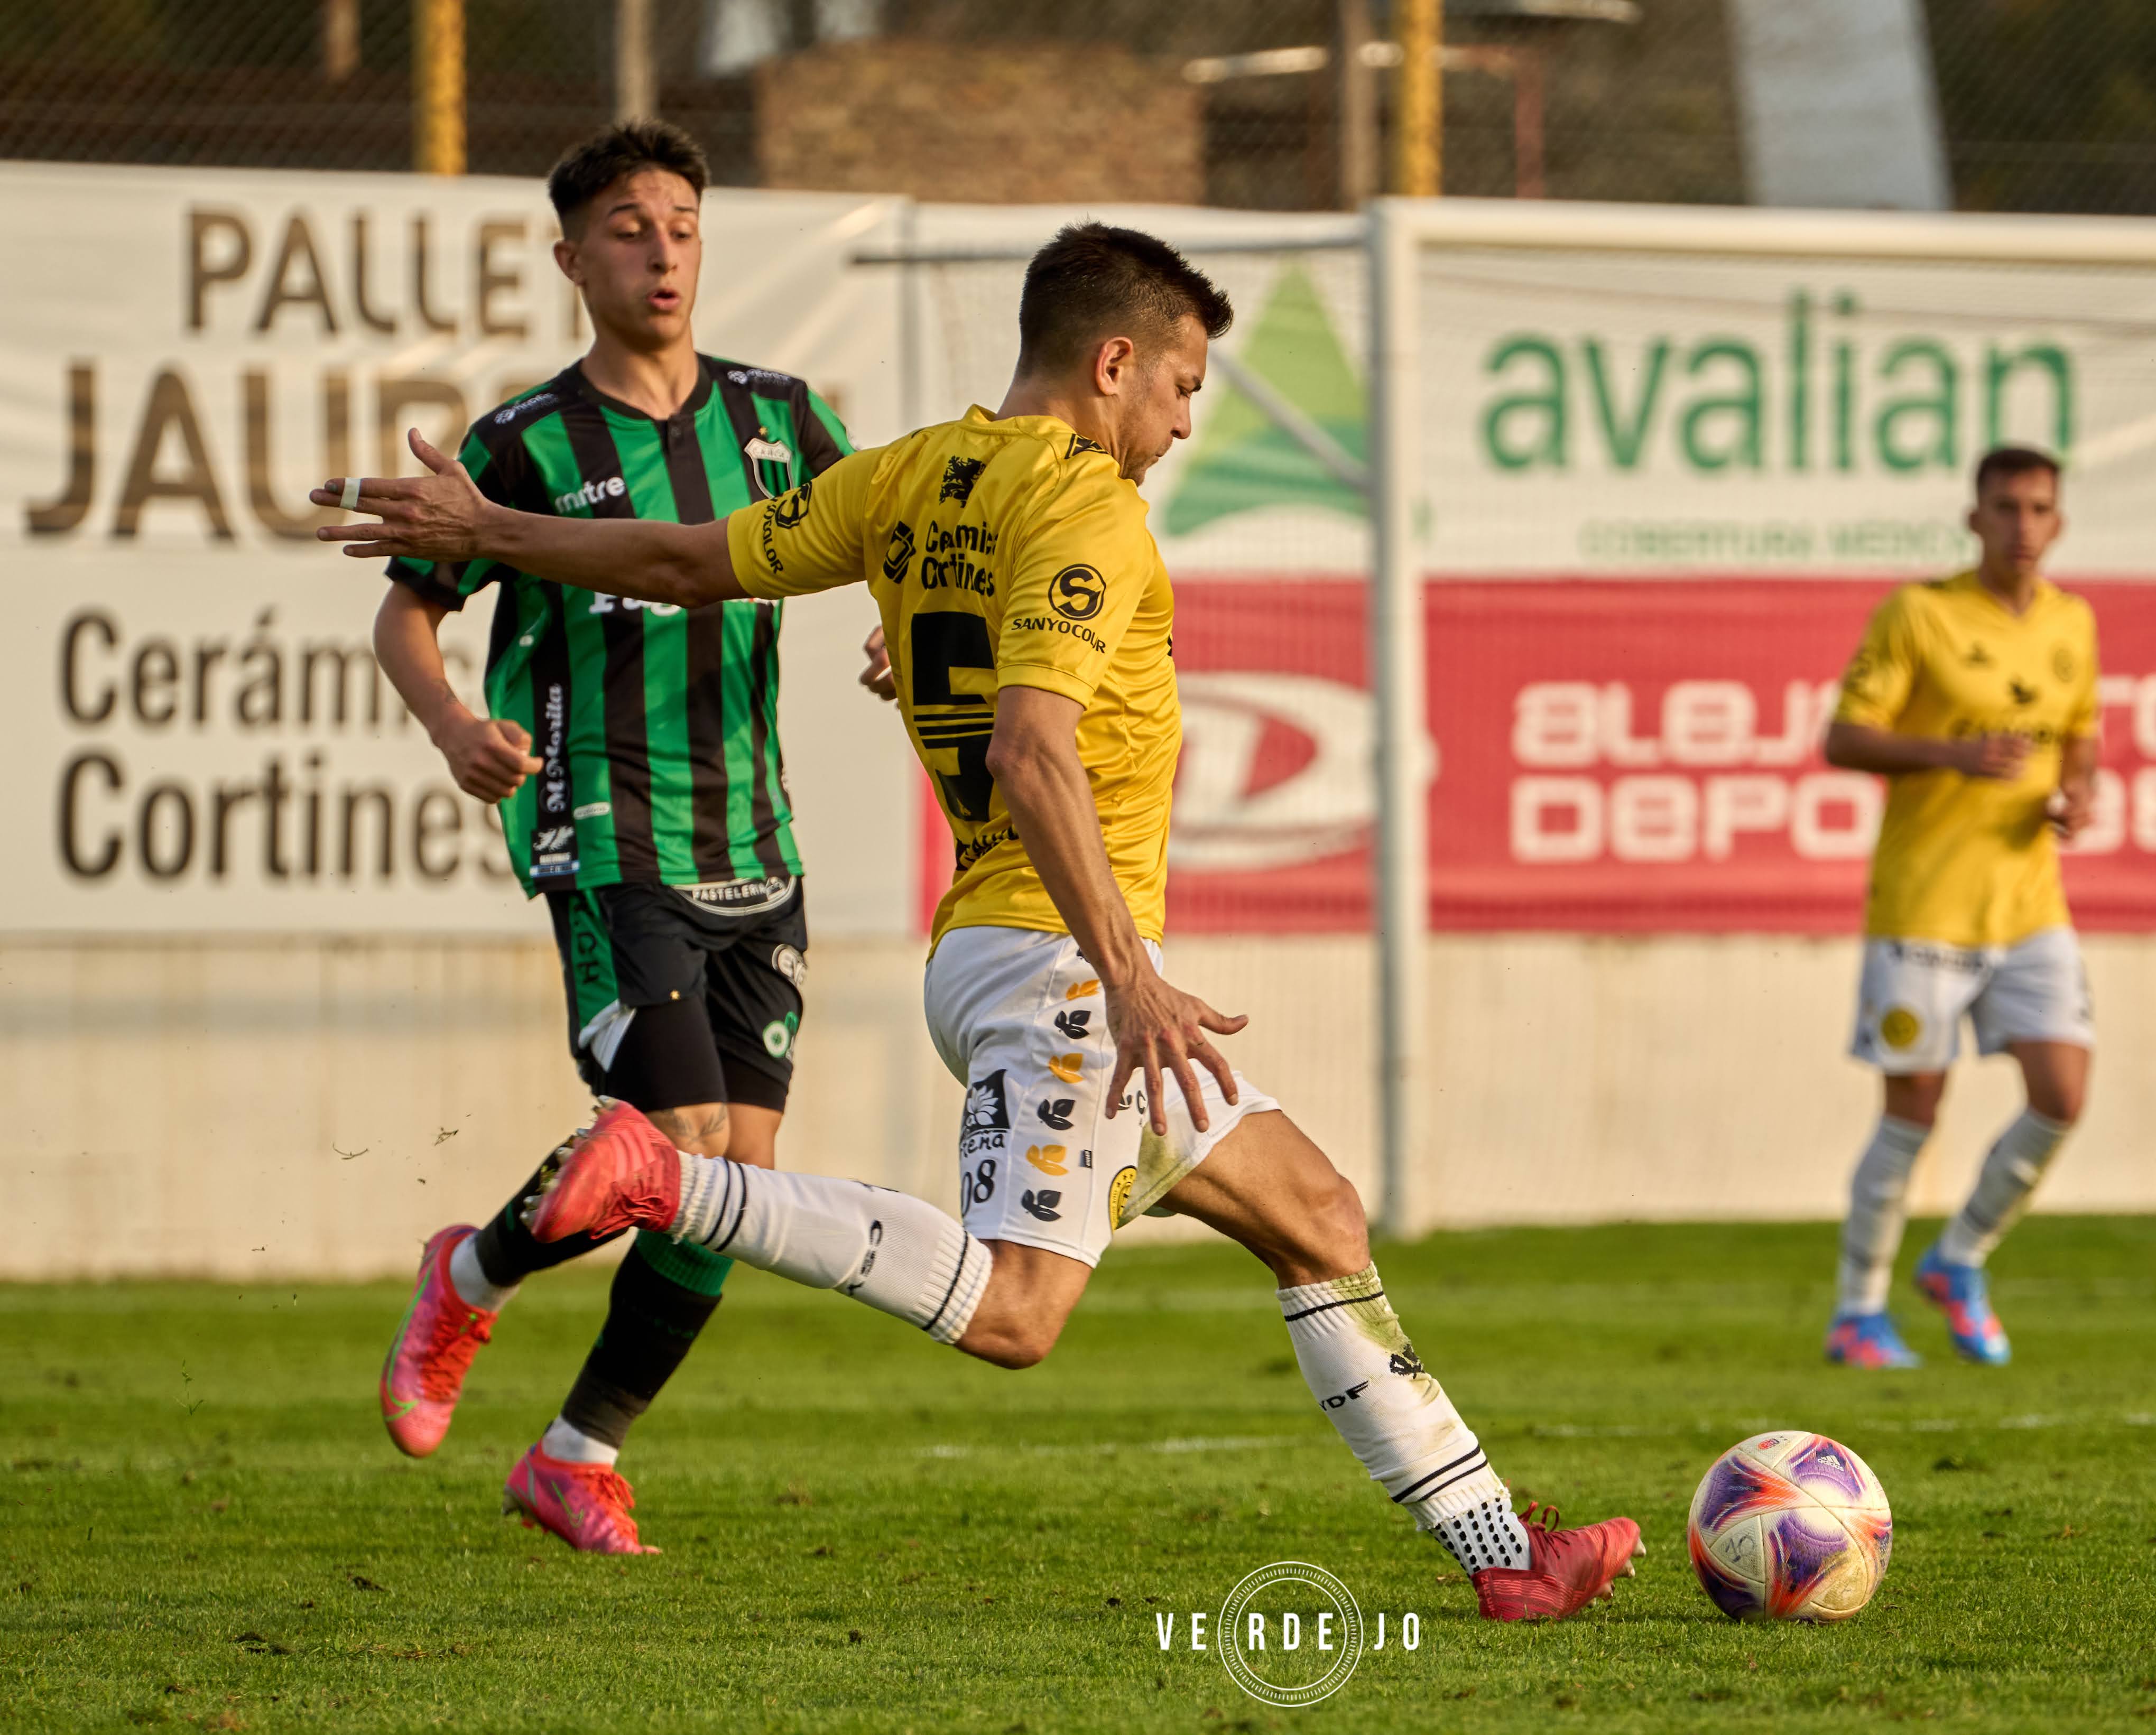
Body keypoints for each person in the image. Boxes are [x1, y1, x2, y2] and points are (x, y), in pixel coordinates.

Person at [318, 221, 1642, 1621]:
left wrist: (488, 533)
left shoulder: (904, 476)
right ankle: (667, 1182)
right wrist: (1128, 974)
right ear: (1113, 361)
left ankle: (1507, 1559)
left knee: (1316, 1215)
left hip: (1005, 944)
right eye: (1182, 385)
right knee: (1018, 1313)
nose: (1188, 420)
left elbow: (687, 561)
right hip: (1064, 959)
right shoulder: (1089, 507)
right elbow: (1031, 749)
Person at [371, 119, 873, 1553]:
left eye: (681, 225)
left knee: (731, 1197)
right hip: (605, 832)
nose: (661, 251)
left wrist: (903, 630)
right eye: (630, 229)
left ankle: (573, 1449)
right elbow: (410, 606)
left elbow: (884, 541)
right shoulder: (521, 445)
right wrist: (454, 724)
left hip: (756, 846)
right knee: (676, 1137)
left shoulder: (781, 418)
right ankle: (468, 1278)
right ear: (573, 257)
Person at [1818, 446, 2099, 1370]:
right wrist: (1950, 755)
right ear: (1972, 518)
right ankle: (1858, 1312)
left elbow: (2081, 736)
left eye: (2039, 509)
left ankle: (1959, 1258)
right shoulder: (1921, 614)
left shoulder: (2072, 623)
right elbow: (1842, 738)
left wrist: (2079, 796)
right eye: (2005, 507)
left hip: (2028, 904)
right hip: (1925, 906)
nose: (2023, 525)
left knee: (2061, 1095)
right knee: (1914, 1108)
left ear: (2058, 523)